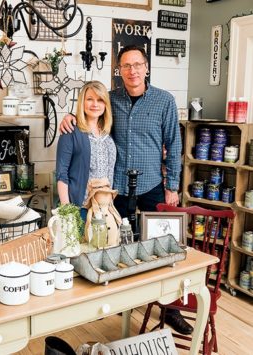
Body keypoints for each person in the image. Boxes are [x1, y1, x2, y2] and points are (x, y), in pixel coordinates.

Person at [59, 45, 192, 335]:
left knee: (159, 248)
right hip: (114, 190)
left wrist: (172, 187)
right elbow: (89, 109)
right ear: (119, 71)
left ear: (146, 68)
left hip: (152, 187)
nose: (132, 71)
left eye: (137, 65)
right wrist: (69, 117)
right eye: (125, 66)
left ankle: (170, 308)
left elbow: (175, 145)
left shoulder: (164, 101)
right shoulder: (111, 99)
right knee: (112, 244)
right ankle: (115, 303)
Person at [56, 81, 116, 221]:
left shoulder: (108, 134)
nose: (95, 104)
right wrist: (67, 212)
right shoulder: (70, 131)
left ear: (106, 104)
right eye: (90, 99)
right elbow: (61, 174)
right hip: (80, 209)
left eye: (100, 100)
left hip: (106, 208)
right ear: (82, 102)